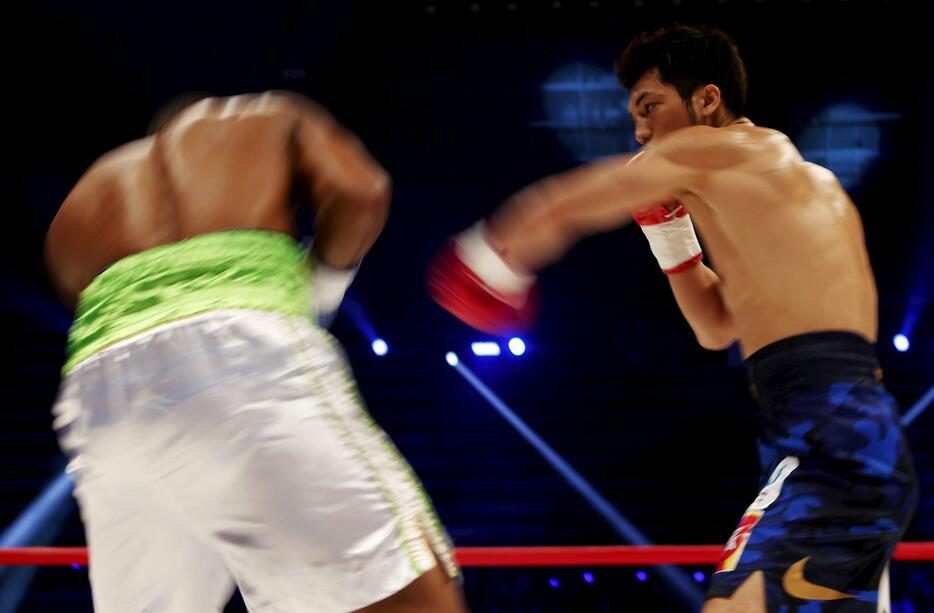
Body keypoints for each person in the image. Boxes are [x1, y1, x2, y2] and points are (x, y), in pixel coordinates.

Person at [427, 24, 917, 611]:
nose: (639, 129)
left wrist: (490, 255)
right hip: (845, 432)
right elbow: (716, 327)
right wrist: (670, 236)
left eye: (650, 105)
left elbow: (571, 201)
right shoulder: (783, 189)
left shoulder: (721, 149)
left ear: (707, 101)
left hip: (828, 439)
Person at [46, 91, 465, 613]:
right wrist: (322, 286)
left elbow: (88, 303)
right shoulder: (262, 116)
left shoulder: (79, 202)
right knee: (410, 597)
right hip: (237, 357)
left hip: (98, 400)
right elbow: (361, 191)